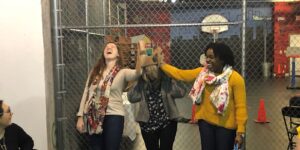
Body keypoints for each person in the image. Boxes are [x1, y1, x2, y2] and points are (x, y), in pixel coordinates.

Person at [160, 42, 248, 150]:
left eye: (212, 57)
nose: (208, 60)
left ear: (222, 59)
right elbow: (180, 74)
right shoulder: (202, 73)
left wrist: (240, 132)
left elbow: (241, 107)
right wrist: (161, 64)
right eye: (207, 57)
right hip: (206, 123)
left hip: (226, 127)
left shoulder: (235, 79)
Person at [76, 40, 144, 150]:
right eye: (107, 47)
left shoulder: (123, 72)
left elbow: (139, 72)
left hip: (114, 116)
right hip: (94, 117)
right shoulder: (95, 71)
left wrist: (141, 52)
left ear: (118, 54)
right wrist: (80, 116)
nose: (109, 48)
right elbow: (86, 92)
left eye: (113, 47)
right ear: (103, 53)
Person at [127, 47, 185, 150]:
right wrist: (137, 76)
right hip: (147, 124)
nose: (150, 70)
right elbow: (132, 97)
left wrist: (172, 75)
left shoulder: (165, 77)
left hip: (167, 122)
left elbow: (181, 92)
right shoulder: (142, 80)